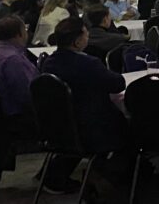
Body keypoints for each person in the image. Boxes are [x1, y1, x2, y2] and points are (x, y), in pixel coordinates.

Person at [0, 16, 81, 194]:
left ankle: (52, 172)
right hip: (23, 118)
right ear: (19, 33)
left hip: (16, 114)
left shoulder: (1, 53)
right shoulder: (12, 60)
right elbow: (29, 95)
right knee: (79, 122)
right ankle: (55, 179)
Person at [42, 18, 128, 155]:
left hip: (60, 125)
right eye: (86, 35)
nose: (88, 38)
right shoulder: (88, 63)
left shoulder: (48, 63)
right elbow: (117, 84)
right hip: (94, 125)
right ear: (77, 42)